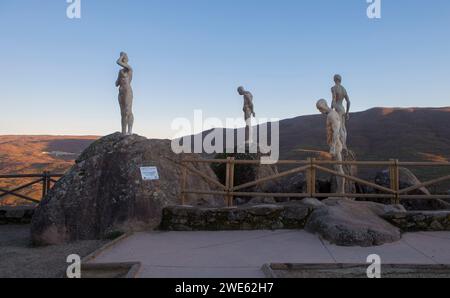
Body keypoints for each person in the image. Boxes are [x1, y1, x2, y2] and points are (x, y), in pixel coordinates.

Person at [116, 52, 134, 135]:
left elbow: (118, 62)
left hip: (127, 91)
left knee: (128, 111)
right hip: (121, 91)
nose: (122, 59)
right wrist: (119, 81)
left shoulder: (129, 69)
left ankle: (129, 130)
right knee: (122, 113)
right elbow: (117, 83)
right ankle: (123, 132)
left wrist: (122, 55)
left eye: (124, 57)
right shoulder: (120, 71)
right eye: (122, 57)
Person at [331, 74, 351, 149]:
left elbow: (333, 100)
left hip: (337, 108)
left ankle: (341, 145)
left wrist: (331, 110)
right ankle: (344, 144)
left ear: (334, 79)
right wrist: (347, 112)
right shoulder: (344, 89)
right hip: (343, 109)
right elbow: (348, 102)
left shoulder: (334, 88)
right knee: (343, 127)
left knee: (338, 128)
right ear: (340, 80)